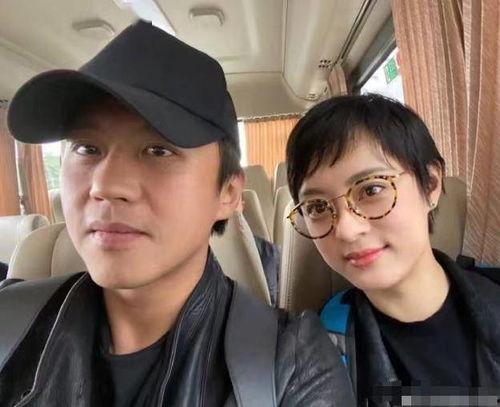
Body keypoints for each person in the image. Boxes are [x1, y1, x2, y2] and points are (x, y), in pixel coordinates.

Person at [0, 21, 355, 406]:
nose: (105, 185)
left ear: (228, 193)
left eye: (158, 150)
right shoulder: (10, 323)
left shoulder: (293, 368)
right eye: (86, 148)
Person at [285, 94, 500, 405]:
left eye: (371, 189)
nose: (346, 230)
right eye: (317, 207)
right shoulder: (316, 353)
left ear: (431, 185)